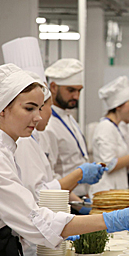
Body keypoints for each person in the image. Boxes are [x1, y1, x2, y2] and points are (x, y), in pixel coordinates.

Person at [0, 64, 129, 256]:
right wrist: (111, 220)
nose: (38, 117)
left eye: (40, 108)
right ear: (1, 110)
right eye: (29, 108)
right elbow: (36, 221)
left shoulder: (8, 146)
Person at [15, 72, 106, 256]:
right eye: (33, 108)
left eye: (40, 108)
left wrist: (80, 204)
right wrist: (79, 175)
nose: (39, 115)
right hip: (34, 238)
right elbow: (37, 196)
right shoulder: (23, 142)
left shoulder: (34, 137)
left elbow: (48, 181)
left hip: (52, 222)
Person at [39, 59, 91, 199]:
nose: (76, 96)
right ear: (54, 87)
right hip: (62, 199)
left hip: (79, 196)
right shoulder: (46, 125)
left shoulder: (69, 117)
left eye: (79, 91)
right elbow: (50, 175)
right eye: (71, 90)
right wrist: (78, 204)